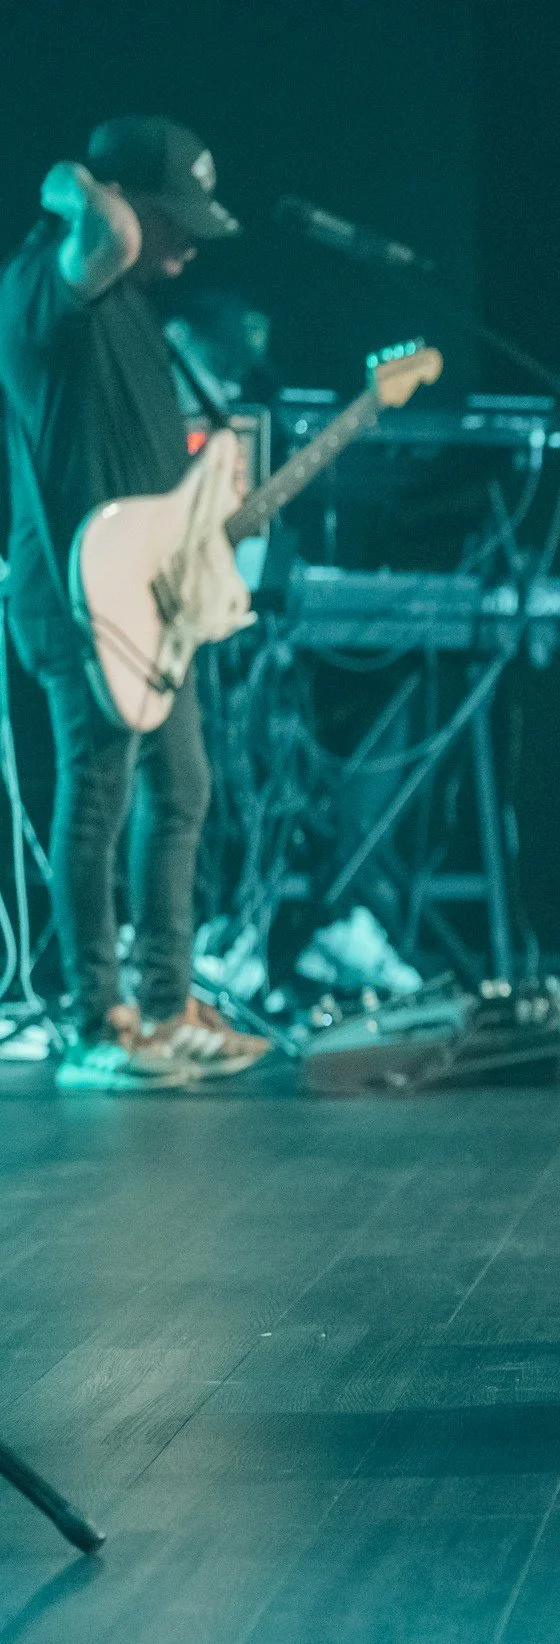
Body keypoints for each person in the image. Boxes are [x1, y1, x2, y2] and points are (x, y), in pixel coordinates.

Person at [0, 117, 270, 1089]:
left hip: (150, 594)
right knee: (99, 798)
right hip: (75, 596)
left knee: (183, 787)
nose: (190, 244)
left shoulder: (131, 309)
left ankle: (167, 1005)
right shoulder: (50, 283)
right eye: (177, 220)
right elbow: (106, 233)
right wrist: (68, 177)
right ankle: (96, 1021)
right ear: (125, 203)